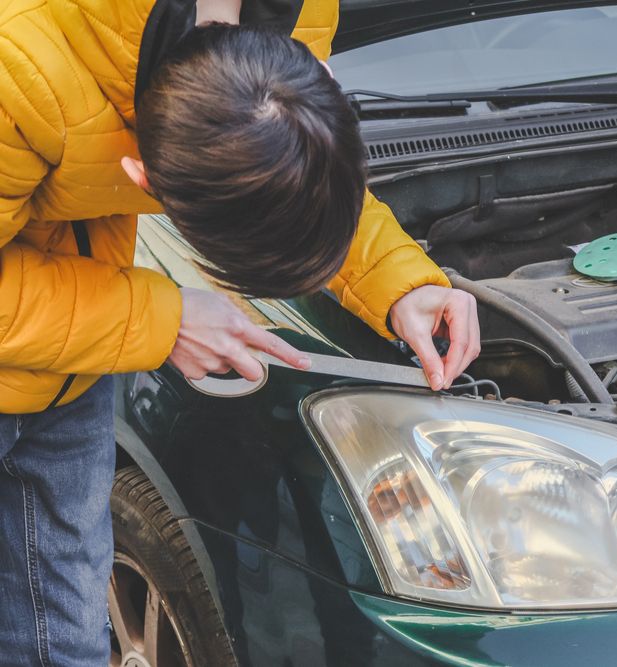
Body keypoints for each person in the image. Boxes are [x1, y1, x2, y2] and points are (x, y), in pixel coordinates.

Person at [0, 0, 480, 663]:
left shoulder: (300, 10)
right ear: (142, 176)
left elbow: (289, 154)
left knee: (64, 643)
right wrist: (161, 318)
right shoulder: (18, 63)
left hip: (66, 368)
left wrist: (401, 283)